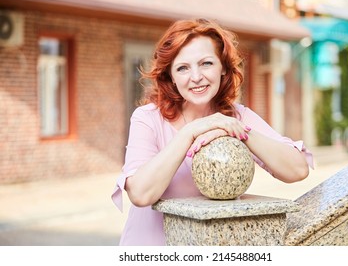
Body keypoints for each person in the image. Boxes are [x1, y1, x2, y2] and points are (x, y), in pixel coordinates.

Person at [111, 18, 314, 245]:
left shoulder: (238, 117)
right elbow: (140, 194)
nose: (196, 77)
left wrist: (239, 132)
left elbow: (297, 170)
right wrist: (189, 133)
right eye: (183, 68)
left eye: (206, 63)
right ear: (171, 77)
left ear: (223, 67)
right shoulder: (147, 118)